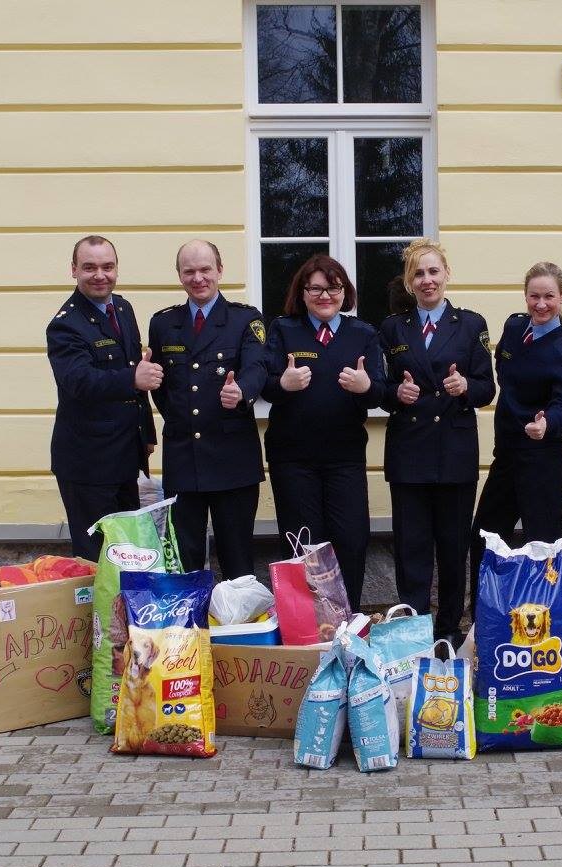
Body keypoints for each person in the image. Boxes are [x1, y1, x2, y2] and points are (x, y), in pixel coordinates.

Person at [379, 239, 496, 643]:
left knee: (451, 550)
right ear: (409, 282)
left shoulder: (471, 324)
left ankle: (447, 630)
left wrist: (466, 386)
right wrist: (396, 394)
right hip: (409, 452)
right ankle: (413, 632)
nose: (427, 280)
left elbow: (487, 388)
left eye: (433, 271)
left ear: (446, 274)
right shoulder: (393, 327)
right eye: (418, 273)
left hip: (454, 452)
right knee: (411, 549)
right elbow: (379, 387)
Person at [261, 254, 386, 610]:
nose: (325, 295)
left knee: (351, 539)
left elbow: (383, 391)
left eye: (333, 288)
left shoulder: (362, 334)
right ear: (302, 293)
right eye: (315, 288)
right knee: (303, 545)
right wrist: (282, 383)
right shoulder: (283, 329)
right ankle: (307, 627)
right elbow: (263, 385)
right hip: (293, 460)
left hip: (344, 458)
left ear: (345, 292)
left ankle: (348, 622)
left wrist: (366, 387)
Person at [469, 261, 562, 616]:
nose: (540, 304)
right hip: (507, 455)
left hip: (542, 459)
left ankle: (555, 622)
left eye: (549, 296)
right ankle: (484, 618)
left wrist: (547, 422)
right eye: (534, 296)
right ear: (525, 296)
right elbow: (503, 370)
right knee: (485, 535)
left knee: (546, 544)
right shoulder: (514, 325)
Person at [147, 240, 268, 578]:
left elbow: (258, 367)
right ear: (180, 275)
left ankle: (238, 630)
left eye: (205, 269)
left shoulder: (246, 319)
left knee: (237, 559)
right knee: (185, 559)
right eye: (190, 271)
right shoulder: (163, 323)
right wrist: (178, 415)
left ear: (219, 270)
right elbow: (160, 385)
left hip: (233, 457)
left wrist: (241, 391)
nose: (198, 278)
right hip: (184, 455)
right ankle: (191, 630)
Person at [47, 235, 161, 561]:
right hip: (88, 462)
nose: (100, 275)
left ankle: (120, 614)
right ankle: (94, 616)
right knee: (96, 560)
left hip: (125, 455)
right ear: (73, 270)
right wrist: (132, 379)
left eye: (107, 267)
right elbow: (79, 382)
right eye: (90, 267)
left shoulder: (122, 308)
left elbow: (132, 369)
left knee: (127, 555)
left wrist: (146, 435)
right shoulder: (65, 325)